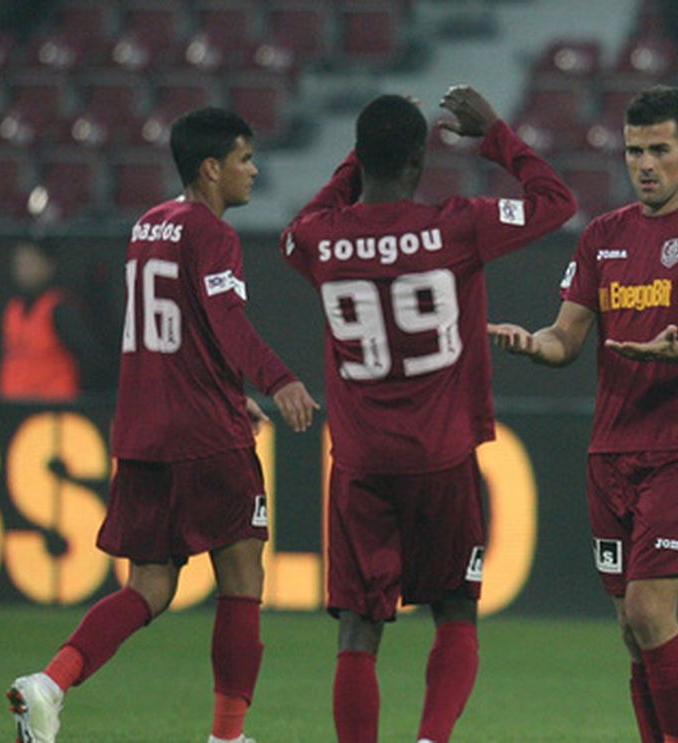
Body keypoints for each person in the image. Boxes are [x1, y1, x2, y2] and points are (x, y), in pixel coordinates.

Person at [6, 107, 320, 743]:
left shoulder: (149, 225)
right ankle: (227, 737)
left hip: (145, 435)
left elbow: (174, 335)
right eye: (244, 159)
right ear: (211, 168)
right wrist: (278, 379)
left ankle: (50, 683)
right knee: (242, 579)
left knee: (149, 584)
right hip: (207, 442)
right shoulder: (212, 234)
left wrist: (231, 395)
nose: (254, 171)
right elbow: (226, 322)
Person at [279, 86, 575, 743]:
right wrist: (495, 132)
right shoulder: (457, 223)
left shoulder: (322, 238)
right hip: (441, 455)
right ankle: (430, 738)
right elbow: (557, 202)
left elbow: (297, 231)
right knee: (455, 610)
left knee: (360, 626)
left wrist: (353, 167)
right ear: (418, 162)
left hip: (360, 461)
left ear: (360, 158)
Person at [488, 85, 678, 743]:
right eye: (635, 150)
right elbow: (567, 338)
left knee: (648, 608)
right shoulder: (604, 236)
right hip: (612, 449)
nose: (645, 164)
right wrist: (537, 343)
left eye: (660, 150)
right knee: (629, 626)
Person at [0, 240, 101, 401]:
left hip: (54, 409)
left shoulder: (60, 308)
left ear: (48, 265)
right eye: (19, 263)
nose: (23, 270)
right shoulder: (13, 308)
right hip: (14, 408)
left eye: (31, 262)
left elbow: (90, 357)